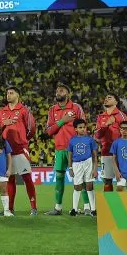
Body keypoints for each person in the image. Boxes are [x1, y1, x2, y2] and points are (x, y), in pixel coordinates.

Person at [43, 84, 85, 216]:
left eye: (61, 90)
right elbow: (49, 131)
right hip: (60, 148)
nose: (58, 92)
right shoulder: (52, 110)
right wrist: (62, 121)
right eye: (57, 90)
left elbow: (83, 127)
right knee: (59, 177)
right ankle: (58, 208)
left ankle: (88, 208)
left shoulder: (76, 107)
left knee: (80, 178)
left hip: (76, 149)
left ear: (68, 93)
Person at [0, 86, 38, 215]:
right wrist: (4, 124)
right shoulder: (2, 112)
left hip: (20, 149)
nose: (8, 95)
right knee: (10, 179)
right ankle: (10, 209)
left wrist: (23, 140)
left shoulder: (24, 110)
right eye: (7, 93)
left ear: (17, 95)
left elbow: (32, 129)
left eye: (11, 93)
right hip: (7, 151)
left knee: (27, 178)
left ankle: (33, 208)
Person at [94, 93, 127, 193]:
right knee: (107, 181)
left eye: (109, 98)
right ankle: (108, 206)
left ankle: (121, 205)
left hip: (120, 153)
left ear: (116, 102)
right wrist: (106, 125)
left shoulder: (121, 115)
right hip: (106, 152)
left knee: (121, 182)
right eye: (105, 98)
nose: (106, 99)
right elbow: (97, 135)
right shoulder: (101, 117)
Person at [68, 119, 98, 216]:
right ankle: (74, 209)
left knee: (89, 185)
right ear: (75, 129)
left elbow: (94, 155)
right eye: (80, 127)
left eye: (84, 127)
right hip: (76, 164)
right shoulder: (72, 140)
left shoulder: (90, 140)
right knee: (77, 186)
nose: (83, 129)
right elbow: (70, 154)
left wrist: (95, 168)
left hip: (88, 162)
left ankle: (93, 209)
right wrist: (70, 168)